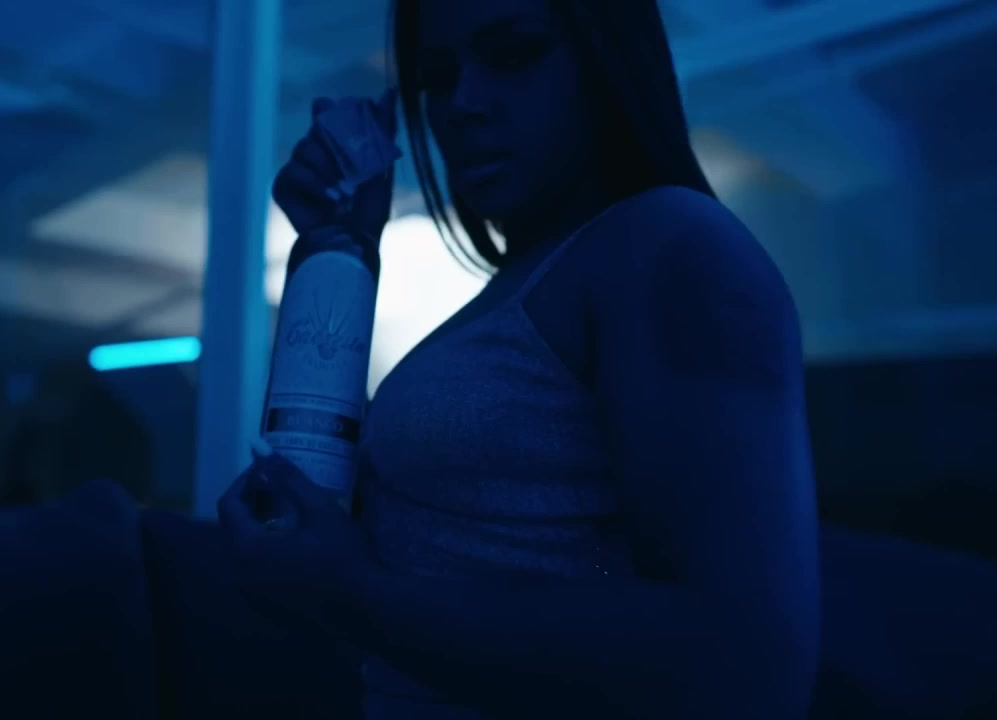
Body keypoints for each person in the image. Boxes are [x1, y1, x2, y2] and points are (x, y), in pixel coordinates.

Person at [219, 0, 821, 717]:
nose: (463, 103)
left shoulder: (673, 244)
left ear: (607, 58)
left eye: (514, 53)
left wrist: (354, 594)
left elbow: (745, 667)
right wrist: (342, 249)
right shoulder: (529, 280)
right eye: (438, 77)